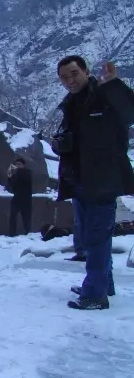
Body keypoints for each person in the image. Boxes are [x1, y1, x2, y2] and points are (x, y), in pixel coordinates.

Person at [54, 56, 134, 310]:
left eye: (74, 73)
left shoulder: (103, 95)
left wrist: (113, 84)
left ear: (86, 71)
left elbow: (130, 112)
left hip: (103, 180)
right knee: (91, 237)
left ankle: (95, 295)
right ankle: (102, 284)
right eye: (64, 77)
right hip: (79, 180)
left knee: (98, 237)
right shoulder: (71, 104)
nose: (70, 80)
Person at [6, 157, 33, 236]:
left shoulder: (26, 172)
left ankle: (27, 233)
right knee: (13, 217)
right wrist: (9, 177)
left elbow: (20, 181)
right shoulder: (16, 173)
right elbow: (11, 186)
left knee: (26, 218)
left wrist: (12, 176)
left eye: (19, 164)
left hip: (26, 199)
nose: (17, 165)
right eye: (16, 164)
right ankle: (12, 234)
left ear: (23, 165)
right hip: (17, 197)